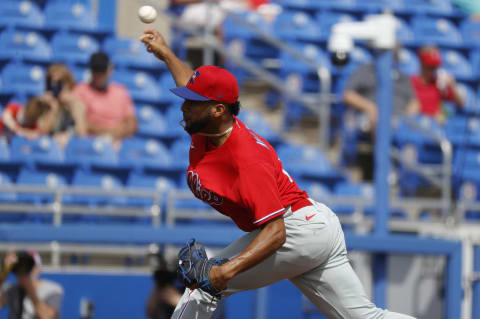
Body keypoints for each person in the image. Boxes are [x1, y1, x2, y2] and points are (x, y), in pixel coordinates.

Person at [140, 29, 416, 319]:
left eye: (191, 103)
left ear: (218, 109)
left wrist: (225, 271)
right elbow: (191, 83)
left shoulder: (245, 159)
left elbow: (276, 232)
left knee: (204, 285)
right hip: (315, 224)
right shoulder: (209, 128)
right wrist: (167, 53)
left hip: (294, 228)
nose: (184, 106)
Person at [342, 46, 419, 180]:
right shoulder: (365, 71)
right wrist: (370, 107)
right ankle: (386, 167)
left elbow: (415, 103)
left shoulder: (402, 77)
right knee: (380, 121)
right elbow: (348, 95)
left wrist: (408, 117)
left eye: (394, 56)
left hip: (398, 119)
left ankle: (407, 176)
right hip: (367, 117)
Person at [72, 52, 137, 145]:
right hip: (91, 142)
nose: (99, 75)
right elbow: (80, 123)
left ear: (110, 70)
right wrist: (109, 131)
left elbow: (132, 123)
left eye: (102, 71)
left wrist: (116, 133)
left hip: (118, 141)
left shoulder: (121, 91)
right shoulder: (79, 91)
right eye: (96, 70)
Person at [0, 251, 63, 319]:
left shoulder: (52, 290)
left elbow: (46, 316)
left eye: (29, 266)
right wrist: (4, 272)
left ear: (38, 269)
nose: (24, 270)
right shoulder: (12, 290)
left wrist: (29, 287)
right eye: (21, 266)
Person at [410, 46, 465, 123]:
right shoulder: (411, 83)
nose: (433, 70)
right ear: (422, 64)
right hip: (415, 128)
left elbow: (461, 103)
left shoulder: (440, 84)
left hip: (434, 129)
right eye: (430, 67)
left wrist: (453, 86)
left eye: (435, 67)